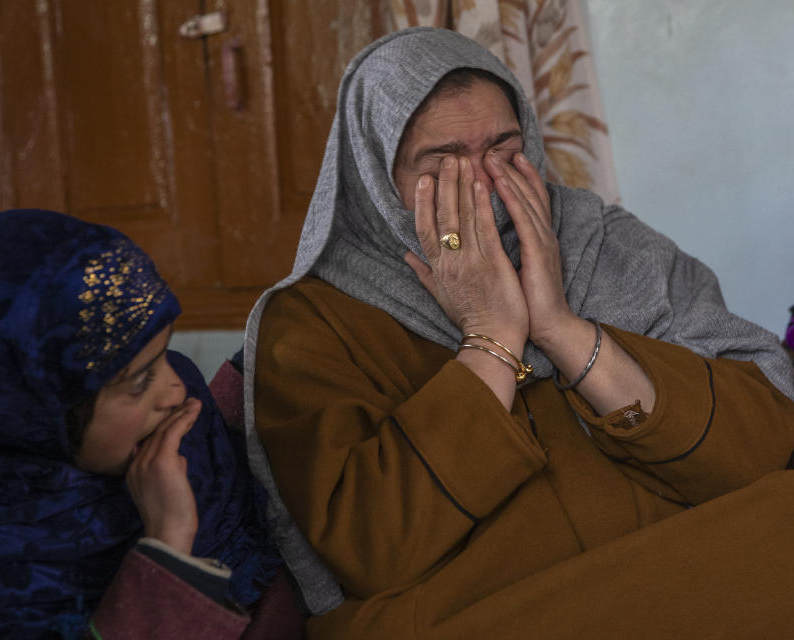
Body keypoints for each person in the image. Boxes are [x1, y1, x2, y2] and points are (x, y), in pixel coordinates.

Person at [242, 27, 794, 638]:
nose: (484, 186)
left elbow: (766, 441)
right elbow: (373, 549)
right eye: (445, 164)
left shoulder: (602, 242)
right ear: (373, 174)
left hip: (680, 549)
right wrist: (490, 338)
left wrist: (562, 328)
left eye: (504, 149)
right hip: (486, 608)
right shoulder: (311, 322)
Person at [0, 210, 302, 638]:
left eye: (166, 352)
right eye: (139, 380)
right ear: (28, 414)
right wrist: (169, 544)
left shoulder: (185, 437)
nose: (176, 390)